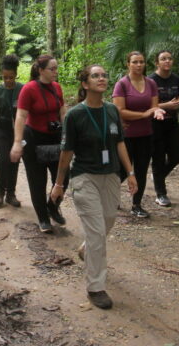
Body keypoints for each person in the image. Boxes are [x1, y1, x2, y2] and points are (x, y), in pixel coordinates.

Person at [51, 65, 137, 310]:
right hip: (84, 177)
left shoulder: (111, 110)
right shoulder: (75, 115)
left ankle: (86, 249)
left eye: (103, 74)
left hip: (110, 175)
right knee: (98, 232)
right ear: (85, 84)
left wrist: (130, 172)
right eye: (95, 75)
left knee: (108, 221)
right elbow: (66, 152)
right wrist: (59, 184)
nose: (102, 78)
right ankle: (96, 287)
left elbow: (119, 142)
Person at [10, 55, 68, 233]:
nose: (56, 72)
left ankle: (52, 205)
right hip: (34, 139)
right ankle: (43, 218)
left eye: (57, 68)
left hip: (54, 138)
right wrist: (17, 142)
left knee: (63, 177)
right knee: (37, 180)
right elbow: (21, 116)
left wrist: (66, 131)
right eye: (52, 69)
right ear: (41, 70)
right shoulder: (29, 89)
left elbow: (62, 110)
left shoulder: (57, 87)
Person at [112, 51, 165, 218]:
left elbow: (154, 107)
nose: (139, 65)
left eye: (141, 62)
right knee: (121, 170)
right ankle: (111, 197)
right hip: (126, 136)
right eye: (135, 62)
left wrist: (156, 112)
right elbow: (119, 111)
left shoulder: (151, 83)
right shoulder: (122, 84)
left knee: (141, 170)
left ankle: (136, 204)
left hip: (146, 134)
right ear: (128, 64)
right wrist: (143, 115)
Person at [0, 54, 24, 207]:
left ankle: (11, 193)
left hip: (17, 130)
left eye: (11, 77)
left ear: (16, 75)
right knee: (2, 160)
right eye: (5, 77)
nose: (8, 80)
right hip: (1, 129)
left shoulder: (23, 89)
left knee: (14, 160)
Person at [149, 50, 179, 207]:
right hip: (155, 123)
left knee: (176, 155)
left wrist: (178, 102)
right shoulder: (151, 81)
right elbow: (148, 104)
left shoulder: (176, 79)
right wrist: (167, 105)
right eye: (163, 59)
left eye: (169, 58)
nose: (167, 61)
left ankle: (158, 177)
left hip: (172, 122)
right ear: (157, 62)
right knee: (158, 157)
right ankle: (161, 193)